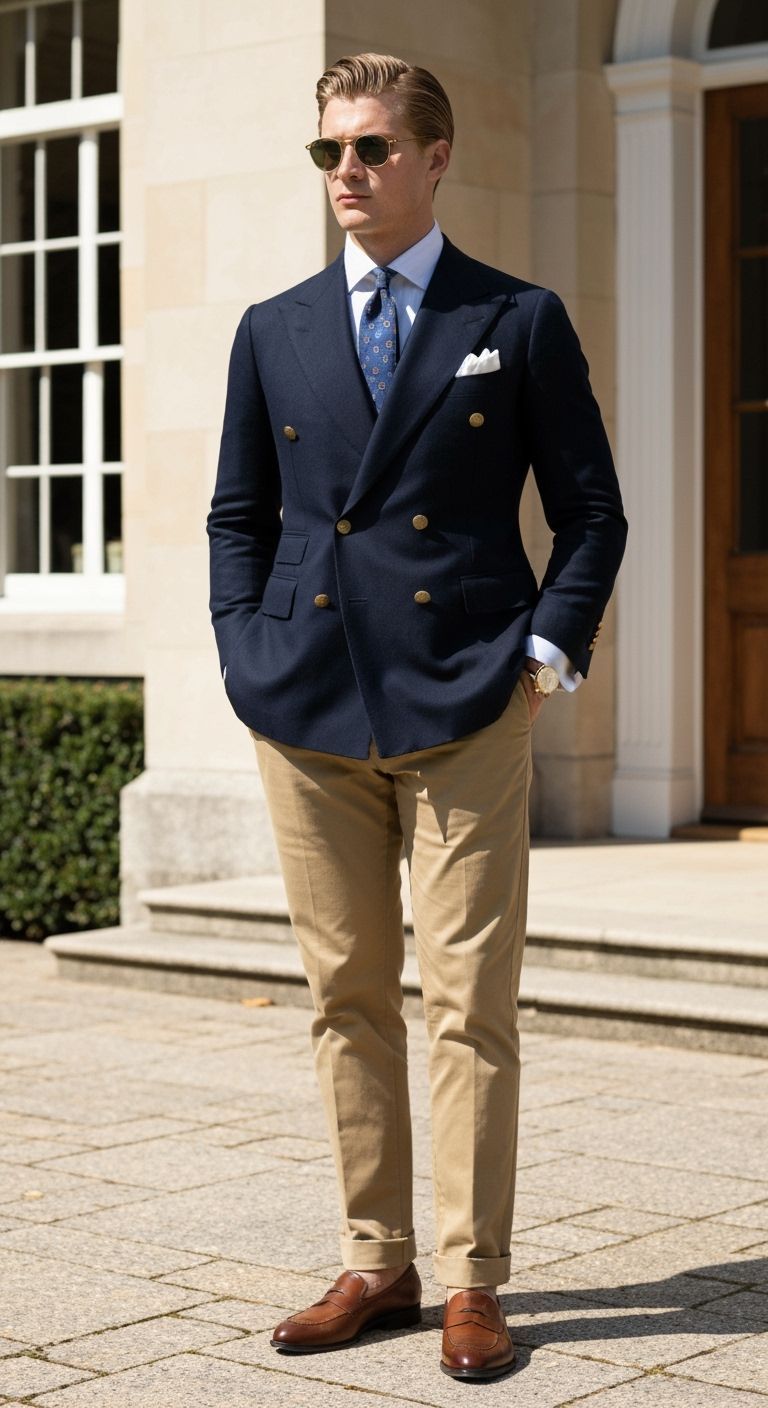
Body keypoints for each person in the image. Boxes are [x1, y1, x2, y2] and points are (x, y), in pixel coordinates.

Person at [206, 51, 628, 1382]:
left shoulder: (521, 315)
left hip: (464, 698)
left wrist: (543, 658)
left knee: (467, 1003)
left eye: (374, 148)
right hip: (309, 703)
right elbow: (237, 518)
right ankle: (377, 1260)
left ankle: (473, 1279)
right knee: (343, 994)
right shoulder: (273, 328)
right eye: (331, 151)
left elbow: (591, 513)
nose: (349, 173)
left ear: (437, 158)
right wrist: (241, 654)